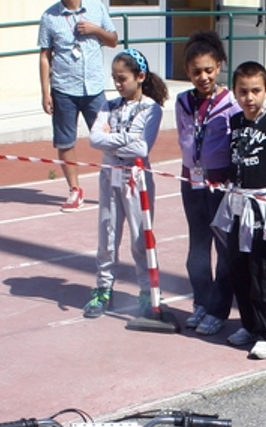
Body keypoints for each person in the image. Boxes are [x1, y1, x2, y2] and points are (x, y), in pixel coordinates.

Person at [215, 61, 266, 360]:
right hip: (237, 202)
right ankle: (250, 326)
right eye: (242, 91)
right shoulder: (236, 122)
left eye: (255, 91)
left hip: (262, 206)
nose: (249, 97)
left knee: (259, 269)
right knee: (236, 265)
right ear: (235, 93)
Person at [82, 49, 167, 319]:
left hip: (136, 179)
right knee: (107, 233)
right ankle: (103, 288)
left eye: (122, 78)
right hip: (110, 175)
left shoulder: (151, 108)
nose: (118, 84)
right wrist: (125, 137)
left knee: (140, 237)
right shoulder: (108, 106)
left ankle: (146, 290)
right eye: (114, 78)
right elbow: (95, 139)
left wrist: (113, 137)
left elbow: (142, 147)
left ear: (139, 77)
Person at [176, 31, 241, 337]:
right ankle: (202, 301)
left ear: (219, 67)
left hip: (221, 186)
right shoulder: (182, 101)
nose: (202, 77)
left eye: (208, 70)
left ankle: (218, 310)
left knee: (225, 250)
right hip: (191, 182)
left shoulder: (232, 103)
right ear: (187, 72)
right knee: (197, 248)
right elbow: (185, 138)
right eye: (195, 71)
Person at [37, 0, 117, 212]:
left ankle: (116, 186)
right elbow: (45, 56)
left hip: (94, 88)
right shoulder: (49, 17)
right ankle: (75, 190)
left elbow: (113, 40)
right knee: (65, 142)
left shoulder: (96, 7)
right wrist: (45, 92)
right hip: (63, 89)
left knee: (109, 139)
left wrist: (96, 30)